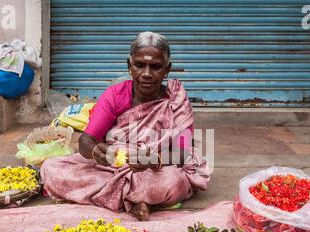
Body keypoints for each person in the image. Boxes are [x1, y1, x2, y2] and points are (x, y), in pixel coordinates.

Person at [41, 31, 210, 221]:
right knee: (52, 168)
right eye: (139, 65)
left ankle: (120, 195)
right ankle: (135, 199)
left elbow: (183, 152)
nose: (146, 74)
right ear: (129, 66)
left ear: (167, 69)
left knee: (173, 181)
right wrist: (96, 150)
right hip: (112, 167)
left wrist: (154, 160)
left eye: (155, 67)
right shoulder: (115, 95)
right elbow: (85, 141)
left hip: (155, 169)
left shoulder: (176, 99)